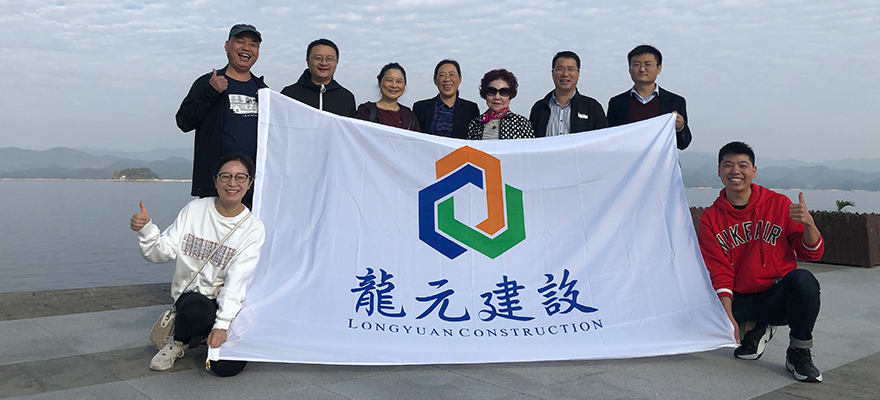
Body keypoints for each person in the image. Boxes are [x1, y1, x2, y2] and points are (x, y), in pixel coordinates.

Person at [698, 142, 825, 382]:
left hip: (775, 296)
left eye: (742, 165)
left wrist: (809, 224)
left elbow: (812, 253)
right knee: (697, 313)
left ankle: (798, 352)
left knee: (804, 281)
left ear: (754, 171)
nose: (735, 171)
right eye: (728, 165)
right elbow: (720, 271)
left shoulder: (778, 204)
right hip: (741, 298)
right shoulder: (710, 219)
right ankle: (755, 328)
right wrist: (728, 319)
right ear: (719, 171)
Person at [130, 153, 266, 377]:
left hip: (227, 300)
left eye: (240, 177)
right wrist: (147, 230)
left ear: (250, 183)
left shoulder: (253, 228)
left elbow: (237, 279)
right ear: (215, 180)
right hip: (193, 297)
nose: (232, 183)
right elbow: (162, 252)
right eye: (225, 176)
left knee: (226, 368)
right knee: (196, 309)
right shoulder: (195, 210)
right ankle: (180, 340)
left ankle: (209, 333)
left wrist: (222, 324)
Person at [176, 24, 266, 208]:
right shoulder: (208, 83)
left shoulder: (263, 91)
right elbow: (184, 121)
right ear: (227, 45)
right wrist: (210, 92)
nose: (246, 48)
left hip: (253, 189)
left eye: (253, 44)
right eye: (240, 41)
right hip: (214, 187)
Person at [606, 45, 691, 150]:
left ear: (659, 68)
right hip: (628, 159)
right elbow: (610, 139)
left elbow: (683, 144)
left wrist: (680, 127)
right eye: (636, 65)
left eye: (648, 64)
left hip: (661, 160)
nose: (642, 69)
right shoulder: (617, 103)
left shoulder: (674, 101)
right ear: (629, 69)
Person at [529, 51, 608, 137]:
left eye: (570, 69)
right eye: (560, 69)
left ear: (578, 74)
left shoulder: (592, 108)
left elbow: (604, 139)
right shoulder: (539, 108)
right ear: (552, 73)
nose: (565, 74)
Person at [280, 38, 357, 117]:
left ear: (336, 63)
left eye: (329, 59)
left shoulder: (346, 98)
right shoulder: (289, 95)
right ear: (308, 61)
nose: (324, 63)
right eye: (318, 58)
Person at [412, 59, 480, 139]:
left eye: (452, 75)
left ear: (460, 79)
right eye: (442, 75)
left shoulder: (471, 109)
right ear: (435, 80)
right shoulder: (420, 108)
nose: (447, 79)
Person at [467, 69, 534, 140]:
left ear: (510, 95)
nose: (497, 97)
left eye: (504, 92)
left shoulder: (521, 123)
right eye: (492, 91)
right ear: (485, 94)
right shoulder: (475, 124)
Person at [355, 63, 421, 131]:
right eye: (389, 80)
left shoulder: (410, 117)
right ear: (379, 82)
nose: (394, 85)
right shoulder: (366, 112)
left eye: (399, 81)